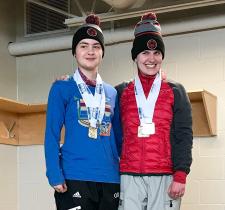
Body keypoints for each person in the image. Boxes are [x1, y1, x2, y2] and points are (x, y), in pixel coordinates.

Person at [115, 12, 193, 210]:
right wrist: (67, 81)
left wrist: (181, 175)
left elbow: (184, 135)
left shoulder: (176, 91)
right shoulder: (121, 92)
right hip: (129, 177)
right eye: (145, 53)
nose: (151, 59)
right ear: (136, 56)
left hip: (165, 177)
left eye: (157, 53)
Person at [44, 14, 122, 210]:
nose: (90, 51)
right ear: (75, 52)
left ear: (102, 52)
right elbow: (51, 135)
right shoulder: (62, 88)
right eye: (83, 46)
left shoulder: (112, 93)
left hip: (110, 177)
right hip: (74, 176)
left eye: (96, 46)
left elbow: (120, 140)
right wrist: (54, 173)